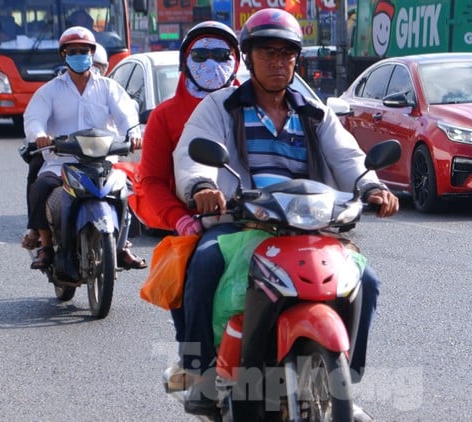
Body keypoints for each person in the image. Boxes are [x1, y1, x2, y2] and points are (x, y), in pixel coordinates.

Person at [168, 8, 399, 419]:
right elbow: (195, 152)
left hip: (312, 227)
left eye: (286, 53)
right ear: (248, 57)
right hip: (243, 222)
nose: (278, 62)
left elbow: (347, 156)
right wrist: (202, 186)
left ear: (297, 59)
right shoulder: (219, 107)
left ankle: (345, 376)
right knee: (202, 265)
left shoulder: (313, 112)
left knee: (368, 280)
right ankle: (200, 373)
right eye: (267, 53)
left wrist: (372, 186)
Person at [23, 26, 146, 271]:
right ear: (64, 55)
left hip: (103, 162)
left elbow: (126, 115)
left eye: (84, 50)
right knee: (41, 187)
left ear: (92, 53)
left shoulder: (109, 88)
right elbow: (34, 117)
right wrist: (40, 136)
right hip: (62, 162)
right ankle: (46, 245)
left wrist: (133, 134)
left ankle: (121, 246)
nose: (79, 55)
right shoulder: (50, 91)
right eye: (73, 51)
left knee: (125, 190)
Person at [134, 21, 240, 235]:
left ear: (237, 62)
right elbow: (153, 179)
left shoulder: (255, 106)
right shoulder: (164, 115)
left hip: (258, 220)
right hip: (196, 226)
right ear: (185, 62)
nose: (211, 64)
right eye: (200, 56)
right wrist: (180, 219)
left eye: (222, 55)